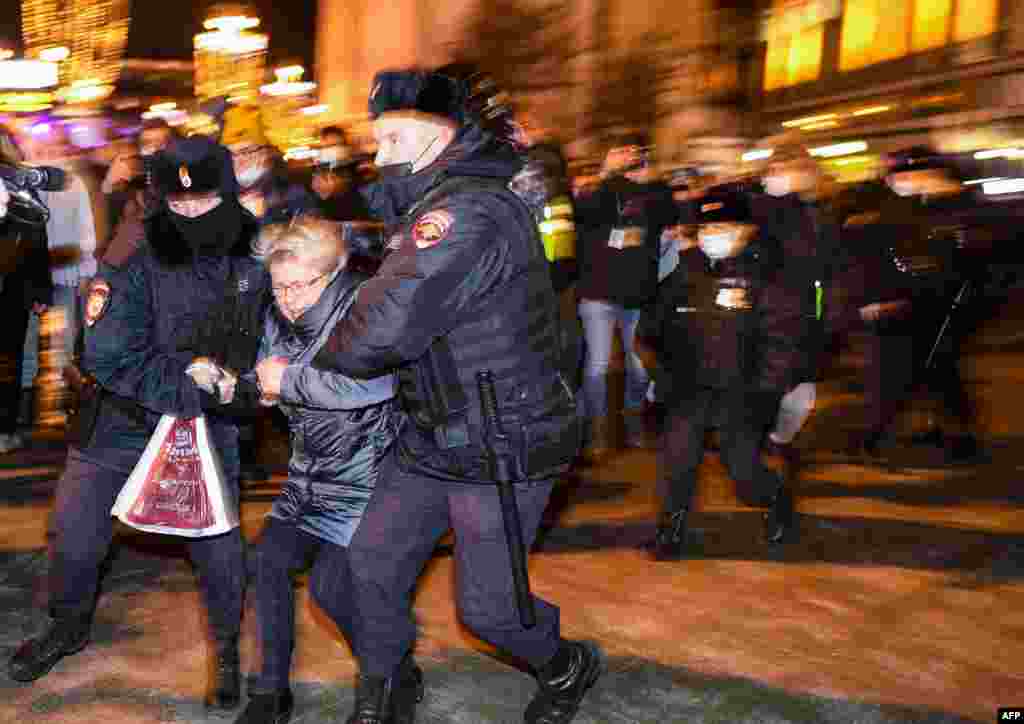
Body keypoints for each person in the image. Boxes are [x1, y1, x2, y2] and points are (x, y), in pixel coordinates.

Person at [258, 66, 600, 724]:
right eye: (377, 141)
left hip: (502, 439)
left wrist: (298, 371)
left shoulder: (462, 212)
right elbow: (392, 274)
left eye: (395, 140)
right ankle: (388, 686)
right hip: (432, 432)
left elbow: (376, 330)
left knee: (492, 612)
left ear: (445, 134)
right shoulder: (427, 208)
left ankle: (565, 663)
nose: (379, 157)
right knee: (361, 569)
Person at [7, 137, 269, 713]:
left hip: (213, 424)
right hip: (123, 420)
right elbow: (102, 350)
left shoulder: (257, 253)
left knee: (219, 548)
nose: (192, 212)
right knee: (74, 537)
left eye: (204, 201)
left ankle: (226, 649)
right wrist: (185, 388)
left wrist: (241, 390)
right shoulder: (135, 249)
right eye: (180, 203)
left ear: (227, 192)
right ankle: (68, 625)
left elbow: (278, 340)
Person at [190, 216, 398, 724]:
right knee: (267, 566)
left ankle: (388, 676)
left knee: (335, 589)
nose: (287, 299)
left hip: (369, 477)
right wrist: (225, 383)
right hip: (308, 475)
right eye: (278, 287)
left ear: (333, 272)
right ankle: (270, 693)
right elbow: (266, 384)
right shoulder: (278, 315)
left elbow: (377, 386)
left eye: (299, 285)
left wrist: (290, 381)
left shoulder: (366, 310)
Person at [638, 186, 803, 560]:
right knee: (677, 465)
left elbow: (781, 339)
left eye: (723, 226)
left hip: (741, 395)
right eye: (706, 228)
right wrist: (662, 377)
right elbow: (650, 331)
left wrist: (766, 391)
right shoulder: (683, 275)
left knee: (744, 475)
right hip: (687, 392)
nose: (713, 235)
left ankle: (776, 497)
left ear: (745, 230)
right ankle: (670, 531)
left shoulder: (765, 276)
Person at [573, 133, 676, 454]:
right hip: (598, 293)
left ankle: (634, 421)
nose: (629, 157)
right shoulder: (599, 190)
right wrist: (606, 172)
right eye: (621, 151)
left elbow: (671, 218)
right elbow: (583, 212)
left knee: (639, 366)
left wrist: (652, 179)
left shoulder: (654, 193)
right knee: (598, 365)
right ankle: (598, 431)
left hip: (638, 294)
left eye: (635, 152)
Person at [0, 126, 52, 454]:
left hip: (14, 285)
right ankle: (5, 430)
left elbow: (36, 239)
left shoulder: (22, 186)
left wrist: (39, 289)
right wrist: (40, 290)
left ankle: (5, 428)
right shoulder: (22, 186)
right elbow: (37, 240)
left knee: (9, 359)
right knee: (9, 359)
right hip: (14, 286)